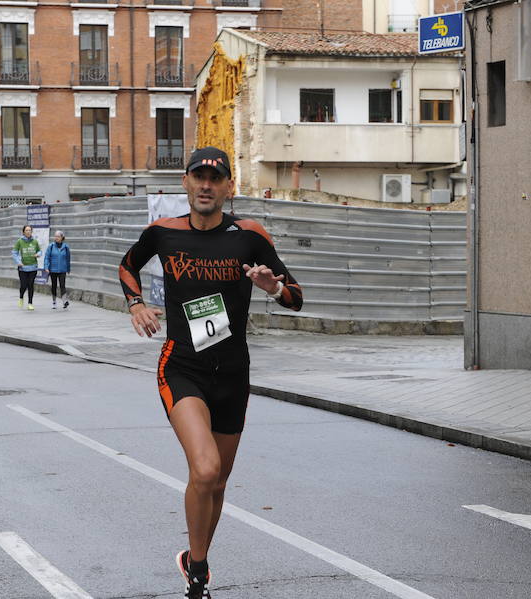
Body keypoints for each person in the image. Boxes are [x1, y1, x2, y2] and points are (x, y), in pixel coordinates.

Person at [119, 147, 303, 599]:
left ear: (227, 188)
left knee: (218, 480)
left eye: (215, 178)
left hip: (233, 372)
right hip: (182, 365)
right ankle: (197, 568)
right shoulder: (163, 233)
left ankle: (194, 560)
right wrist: (136, 304)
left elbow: (296, 296)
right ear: (185, 183)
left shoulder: (250, 236)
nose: (206, 185)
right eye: (198, 176)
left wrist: (273, 287)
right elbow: (127, 265)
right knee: (203, 470)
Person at [12, 225, 41, 310]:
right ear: (23, 232)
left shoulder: (35, 241)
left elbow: (39, 250)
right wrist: (18, 262)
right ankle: (21, 297)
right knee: (24, 285)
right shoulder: (20, 241)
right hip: (23, 268)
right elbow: (14, 253)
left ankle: (30, 303)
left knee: (31, 285)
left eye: (29, 230)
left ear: (31, 232)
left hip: (33, 267)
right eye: (26, 230)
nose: (28, 232)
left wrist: (38, 254)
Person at [43, 230, 71, 310]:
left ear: (62, 237)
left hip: (62, 270)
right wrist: (46, 267)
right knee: (54, 286)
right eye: (55, 236)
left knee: (63, 285)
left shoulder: (66, 247)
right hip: (53, 269)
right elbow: (47, 257)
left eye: (58, 236)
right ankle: (54, 301)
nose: (56, 238)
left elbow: (68, 259)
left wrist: (68, 268)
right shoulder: (51, 246)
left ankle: (64, 301)